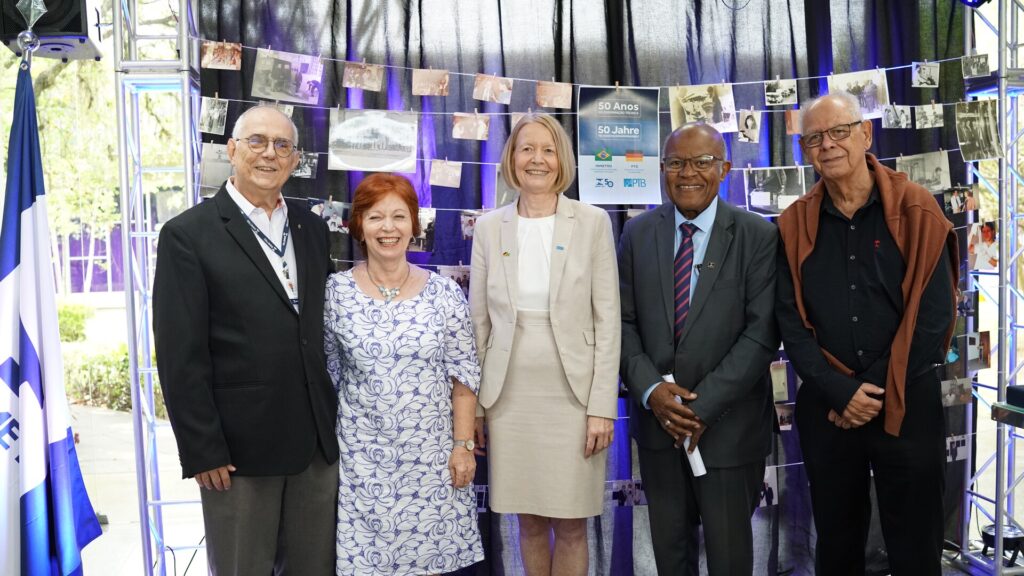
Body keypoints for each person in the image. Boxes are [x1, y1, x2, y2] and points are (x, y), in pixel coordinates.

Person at [776, 92, 958, 575]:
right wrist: (841, 391)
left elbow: (934, 317)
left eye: (839, 131)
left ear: (865, 134)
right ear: (804, 150)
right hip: (828, 408)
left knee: (916, 543)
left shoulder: (917, 209)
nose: (827, 145)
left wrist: (868, 391)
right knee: (836, 543)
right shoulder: (793, 224)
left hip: (907, 401)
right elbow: (790, 324)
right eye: (814, 137)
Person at [153, 105, 338, 575]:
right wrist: (202, 449)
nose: (269, 154)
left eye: (282, 145)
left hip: (314, 447)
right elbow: (180, 355)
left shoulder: (313, 230)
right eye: (257, 141)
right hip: (236, 453)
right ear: (231, 149)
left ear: (295, 160)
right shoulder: (188, 235)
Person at [619, 123, 778, 575]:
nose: (688, 173)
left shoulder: (757, 235)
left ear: (724, 168)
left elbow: (762, 333)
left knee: (730, 560)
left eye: (702, 161)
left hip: (728, 430)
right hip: (658, 429)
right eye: (676, 163)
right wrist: (652, 392)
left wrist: (699, 409)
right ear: (663, 169)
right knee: (671, 559)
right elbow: (622, 325)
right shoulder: (638, 234)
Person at [469, 113, 620, 576]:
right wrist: (476, 407)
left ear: (563, 160)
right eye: (526, 149)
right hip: (509, 397)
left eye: (548, 149)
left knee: (572, 524)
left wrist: (601, 407)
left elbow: (608, 320)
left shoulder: (592, 222)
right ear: (512, 159)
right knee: (529, 521)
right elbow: (479, 323)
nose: (537, 159)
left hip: (574, 397)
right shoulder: (489, 227)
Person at [324, 173, 483, 574]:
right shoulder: (335, 293)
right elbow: (328, 373)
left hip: (432, 462)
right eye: (376, 217)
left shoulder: (444, 293)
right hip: (361, 467)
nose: (388, 228)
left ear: (415, 224)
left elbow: (463, 376)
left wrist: (463, 446)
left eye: (399, 216)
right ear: (358, 224)